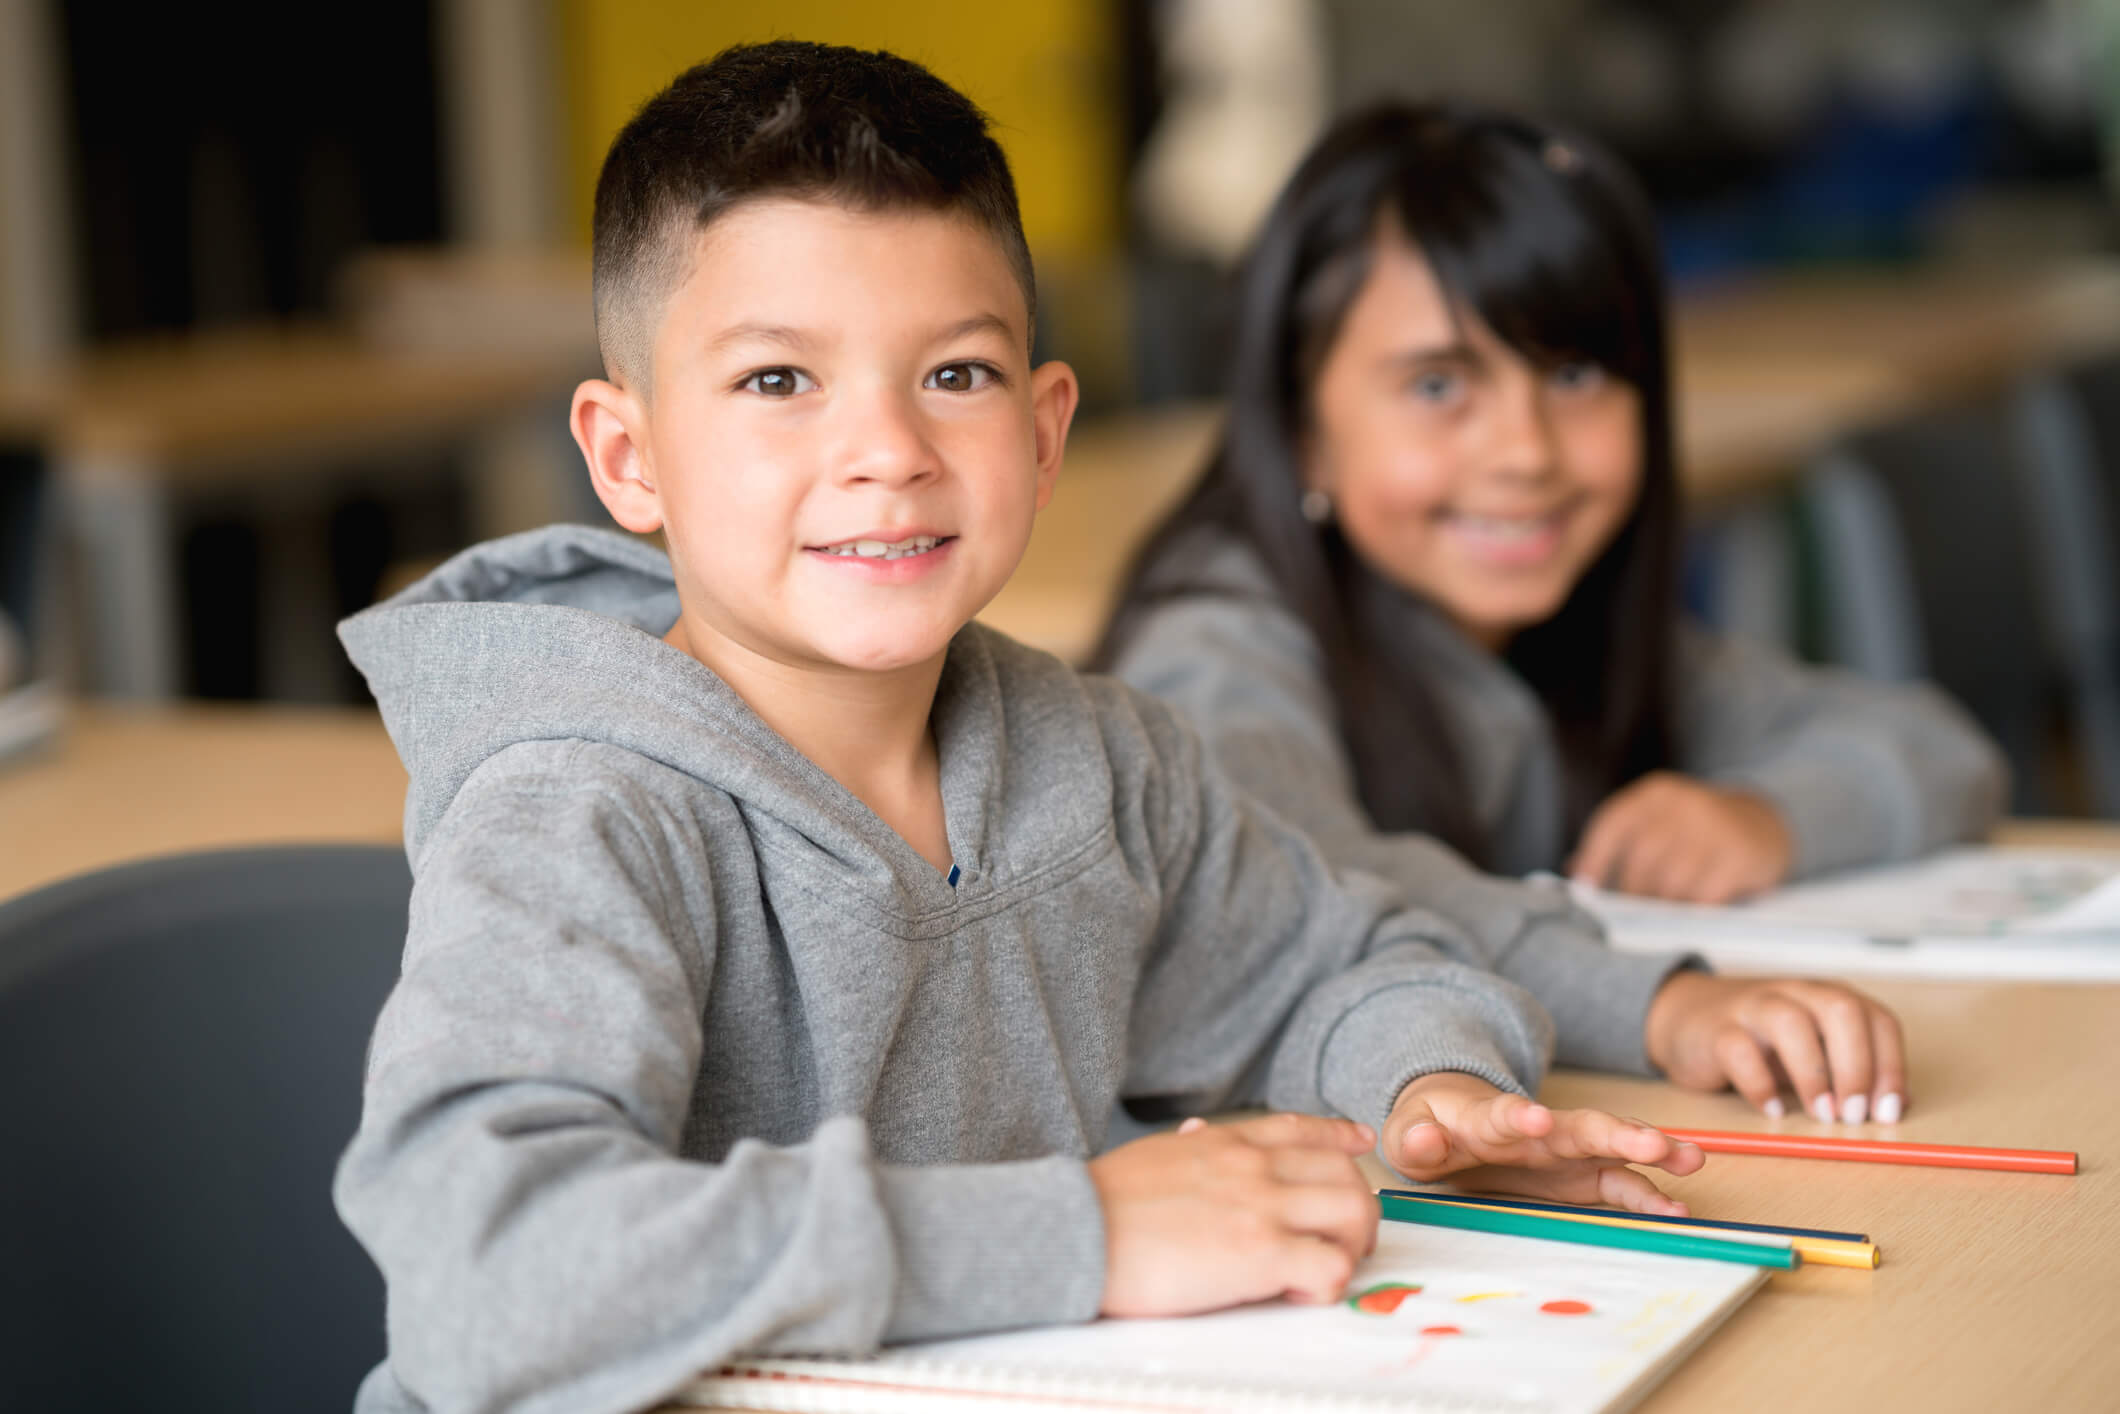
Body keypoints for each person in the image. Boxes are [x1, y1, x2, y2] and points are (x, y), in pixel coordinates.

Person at [334, 48, 1709, 1414]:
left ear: (1046, 432)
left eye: (956, 374)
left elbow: (1344, 959)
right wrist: (1085, 1235)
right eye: (776, 381)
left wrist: (1427, 1082)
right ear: (627, 457)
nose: (887, 449)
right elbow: (489, 1270)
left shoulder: (1098, 761)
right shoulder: (580, 815)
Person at [1098, 101, 2006, 1131]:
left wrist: (1765, 818)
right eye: (1438, 383)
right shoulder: (1214, 650)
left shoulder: (1567, 625)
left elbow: (1934, 746)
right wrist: (1661, 1003)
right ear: (1301, 429)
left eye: (1573, 374)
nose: (1525, 451)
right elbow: (1321, 888)